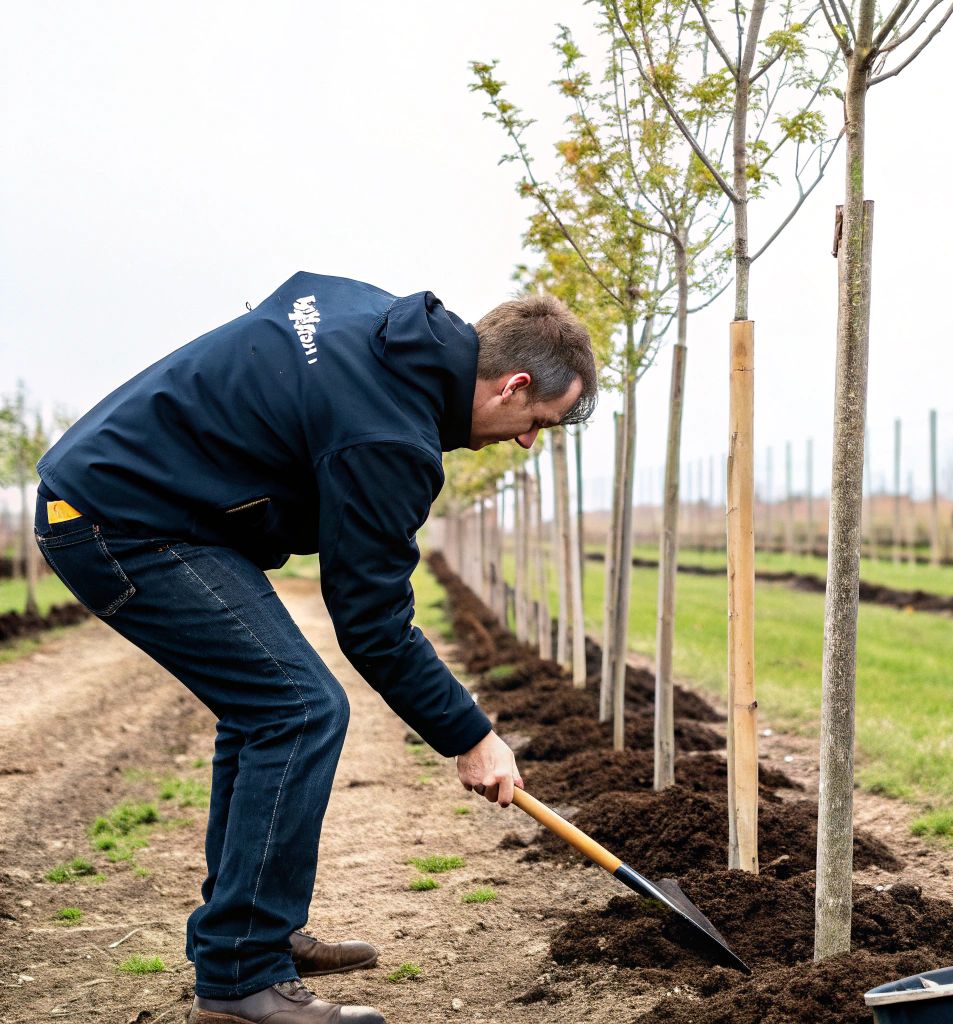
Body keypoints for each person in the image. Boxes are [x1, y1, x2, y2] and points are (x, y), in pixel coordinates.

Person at [34, 272, 597, 1024]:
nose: (528, 440)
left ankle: (251, 934)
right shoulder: (388, 433)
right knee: (297, 708)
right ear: (512, 384)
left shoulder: (374, 318)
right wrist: (471, 736)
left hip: (146, 504)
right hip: (118, 519)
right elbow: (372, 624)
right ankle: (240, 982)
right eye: (540, 420)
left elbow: (286, 310)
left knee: (266, 706)